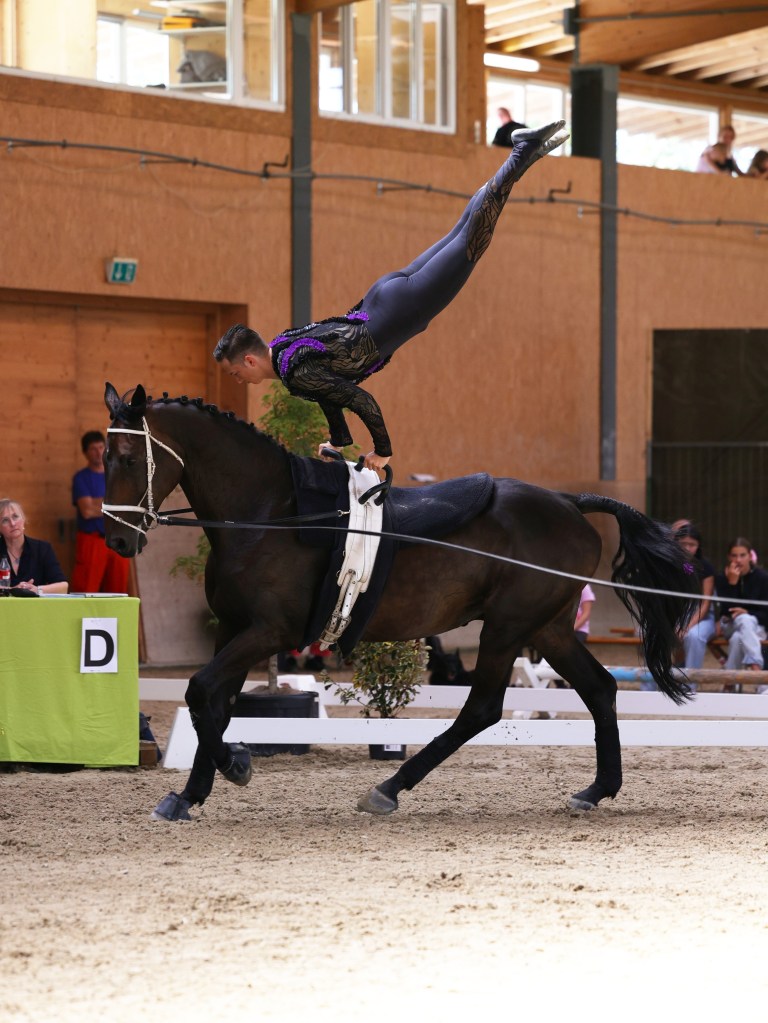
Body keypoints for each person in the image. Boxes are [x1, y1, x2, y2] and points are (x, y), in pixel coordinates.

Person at [213, 121, 569, 473]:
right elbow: (328, 390)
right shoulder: (283, 347)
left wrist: (382, 451)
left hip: (401, 310)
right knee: (462, 230)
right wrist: (338, 440)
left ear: (249, 360)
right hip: (382, 297)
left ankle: (521, 151)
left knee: (471, 241)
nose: (238, 381)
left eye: (234, 373)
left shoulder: (293, 372)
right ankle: (525, 157)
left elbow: (360, 400)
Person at [71, 430, 129, 594]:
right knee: (86, 590)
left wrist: (97, 501)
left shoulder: (118, 476)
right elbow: (87, 511)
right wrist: (114, 504)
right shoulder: (81, 478)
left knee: (118, 592)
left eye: (101, 447)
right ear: (85, 452)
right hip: (93, 541)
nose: (98, 452)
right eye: (93, 449)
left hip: (118, 541)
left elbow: (127, 506)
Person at [713, 537, 768, 673]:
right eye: (734, 555)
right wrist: (732, 584)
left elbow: (766, 614)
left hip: (757, 627)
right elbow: (727, 610)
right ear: (729, 557)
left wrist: (747, 613)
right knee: (743, 620)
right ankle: (756, 668)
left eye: (742, 555)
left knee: (737, 638)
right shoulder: (722, 578)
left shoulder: (762, 577)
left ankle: (731, 682)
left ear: (750, 556)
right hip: (730, 625)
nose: (738, 560)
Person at [0, 499, 68, 594]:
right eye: (5, 520)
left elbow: (63, 587)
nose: (13, 523)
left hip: (36, 603)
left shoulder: (42, 549)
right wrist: (12, 590)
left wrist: (37, 590)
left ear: (23, 519)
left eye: (15, 517)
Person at [674, 523, 716, 670]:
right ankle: (653, 680)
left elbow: (705, 603)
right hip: (677, 614)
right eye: (683, 544)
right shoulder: (670, 564)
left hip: (700, 617)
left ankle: (690, 680)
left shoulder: (705, 567)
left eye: (692, 545)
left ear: (698, 546)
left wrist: (686, 626)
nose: (687, 548)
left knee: (693, 636)